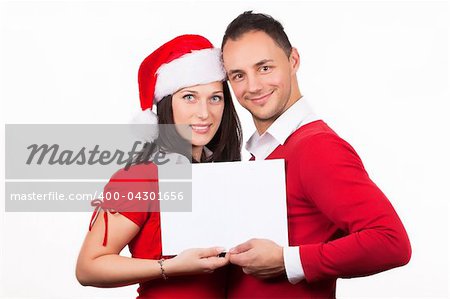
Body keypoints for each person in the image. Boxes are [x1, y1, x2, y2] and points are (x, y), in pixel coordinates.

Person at [221, 11, 411, 298]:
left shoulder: (316, 147)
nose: (253, 86)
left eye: (264, 68)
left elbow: (391, 242)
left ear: (293, 61)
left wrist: (287, 260)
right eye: (238, 75)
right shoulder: (265, 152)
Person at [76, 34, 242, 298]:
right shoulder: (142, 176)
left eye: (215, 98)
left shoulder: (225, 172)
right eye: (189, 97)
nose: (204, 113)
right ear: (167, 104)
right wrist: (171, 266)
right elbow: (88, 267)